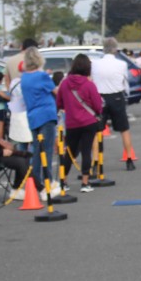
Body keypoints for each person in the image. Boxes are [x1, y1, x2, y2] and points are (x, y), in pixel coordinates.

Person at [56, 54, 105, 190]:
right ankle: (85, 182)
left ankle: (63, 181)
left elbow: (59, 103)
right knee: (86, 151)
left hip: (72, 122)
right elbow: (98, 105)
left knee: (70, 152)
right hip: (88, 122)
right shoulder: (89, 84)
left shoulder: (65, 83)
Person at [21, 47, 60, 199]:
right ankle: (47, 183)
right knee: (47, 151)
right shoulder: (42, 76)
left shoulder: (24, 78)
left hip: (33, 116)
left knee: (37, 151)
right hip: (46, 114)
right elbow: (55, 92)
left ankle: (35, 182)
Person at [92, 38, 139, 166]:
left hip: (100, 97)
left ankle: (95, 160)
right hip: (117, 96)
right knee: (124, 129)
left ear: (103, 48)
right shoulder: (121, 64)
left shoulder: (95, 63)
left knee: (97, 131)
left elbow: (93, 81)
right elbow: (125, 82)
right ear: (115, 49)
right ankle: (129, 159)